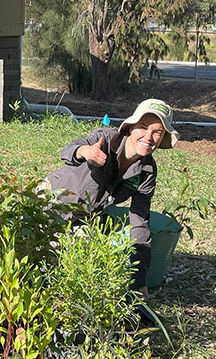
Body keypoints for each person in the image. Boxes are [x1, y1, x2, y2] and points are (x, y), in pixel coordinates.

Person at [44, 99, 180, 298]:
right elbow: (68, 150)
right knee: (33, 256)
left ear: (162, 138)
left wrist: (139, 283)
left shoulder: (147, 171)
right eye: (143, 127)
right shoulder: (105, 139)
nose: (149, 137)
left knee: (84, 265)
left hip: (83, 218)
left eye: (157, 132)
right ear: (131, 128)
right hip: (51, 203)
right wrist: (84, 152)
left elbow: (139, 224)